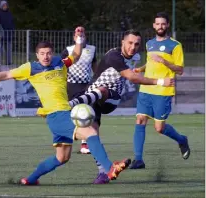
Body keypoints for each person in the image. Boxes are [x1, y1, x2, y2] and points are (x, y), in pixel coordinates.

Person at [0, 27, 131, 185]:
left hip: (62, 113)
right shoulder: (30, 68)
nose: (46, 57)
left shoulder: (60, 63)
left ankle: (30, 180)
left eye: (49, 53)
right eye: (42, 54)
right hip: (57, 114)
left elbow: (76, 55)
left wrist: (79, 38)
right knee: (90, 131)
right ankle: (110, 168)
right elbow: (6, 74)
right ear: (37, 55)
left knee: (62, 157)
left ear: (53, 54)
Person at [68, 29, 175, 184]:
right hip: (93, 95)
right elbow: (131, 77)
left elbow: (131, 74)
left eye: (137, 44)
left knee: (103, 90)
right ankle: (103, 173)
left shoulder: (136, 56)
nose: (133, 47)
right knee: (93, 133)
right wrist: (159, 81)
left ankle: (71, 104)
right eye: (130, 43)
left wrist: (144, 68)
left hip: (111, 98)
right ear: (122, 42)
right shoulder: (114, 56)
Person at [129, 12, 190, 169]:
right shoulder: (149, 44)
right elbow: (150, 63)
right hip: (146, 88)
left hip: (163, 91)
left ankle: (182, 140)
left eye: (163, 24)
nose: (160, 26)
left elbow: (180, 70)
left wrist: (164, 61)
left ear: (167, 25)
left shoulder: (175, 45)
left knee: (159, 128)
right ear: (154, 25)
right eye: (158, 24)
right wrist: (140, 69)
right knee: (140, 119)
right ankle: (138, 159)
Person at [61, 27, 97, 154]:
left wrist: (96, 79)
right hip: (72, 85)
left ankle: (85, 143)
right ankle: (67, 138)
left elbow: (94, 65)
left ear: (86, 35)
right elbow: (63, 68)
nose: (80, 35)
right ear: (73, 36)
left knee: (87, 113)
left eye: (82, 33)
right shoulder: (69, 50)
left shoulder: (92, 49)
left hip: (87, 85)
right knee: (73, 113)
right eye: (77, 33)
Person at [0, 0, 15, 65]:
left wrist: (13, 31)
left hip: (9, 33)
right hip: (1, 34)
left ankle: (8, 61)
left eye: (6, 5)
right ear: (1, 6)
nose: (5, 6)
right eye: (4, 5)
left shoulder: (9, 13)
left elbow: (12, 22)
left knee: (9, 49)